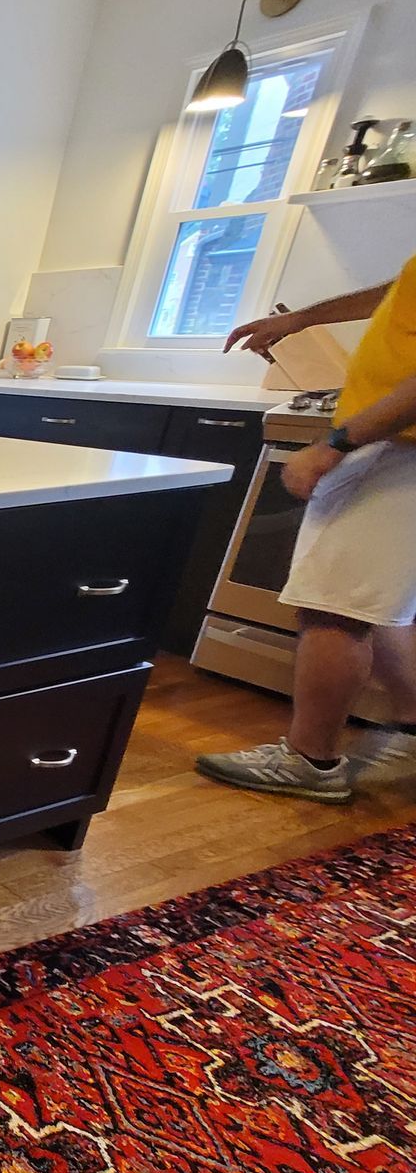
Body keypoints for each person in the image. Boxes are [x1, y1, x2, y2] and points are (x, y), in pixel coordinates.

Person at [196, 254, 416, 803]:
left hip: (399, 446)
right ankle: (413, 728)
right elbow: (395, 289)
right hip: (394, 444)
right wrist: (301, 321)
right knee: (380, 604)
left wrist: (336, 444)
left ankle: (310, 759)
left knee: (334, 605)